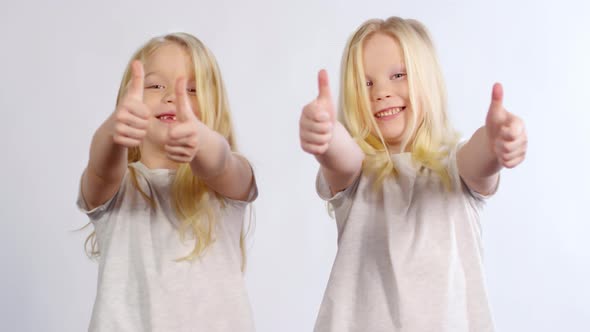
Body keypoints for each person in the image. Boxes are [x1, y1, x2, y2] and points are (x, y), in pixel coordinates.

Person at [299, 17, 527, 331]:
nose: (381, 92)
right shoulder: (357, 173)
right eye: (366, 83)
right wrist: (325, 134)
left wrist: (495, 139)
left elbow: (479, 158)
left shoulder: (455, 166)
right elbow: (341, 156)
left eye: (398, 75)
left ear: (426, 81)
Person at [77, 32, 257, 331]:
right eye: (155, 85)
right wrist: (112, 130)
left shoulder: (225, 187)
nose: (172, 97)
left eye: (192, 89)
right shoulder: (119, 187)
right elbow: (100, 169)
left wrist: (201, 142)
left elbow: (221, 163)